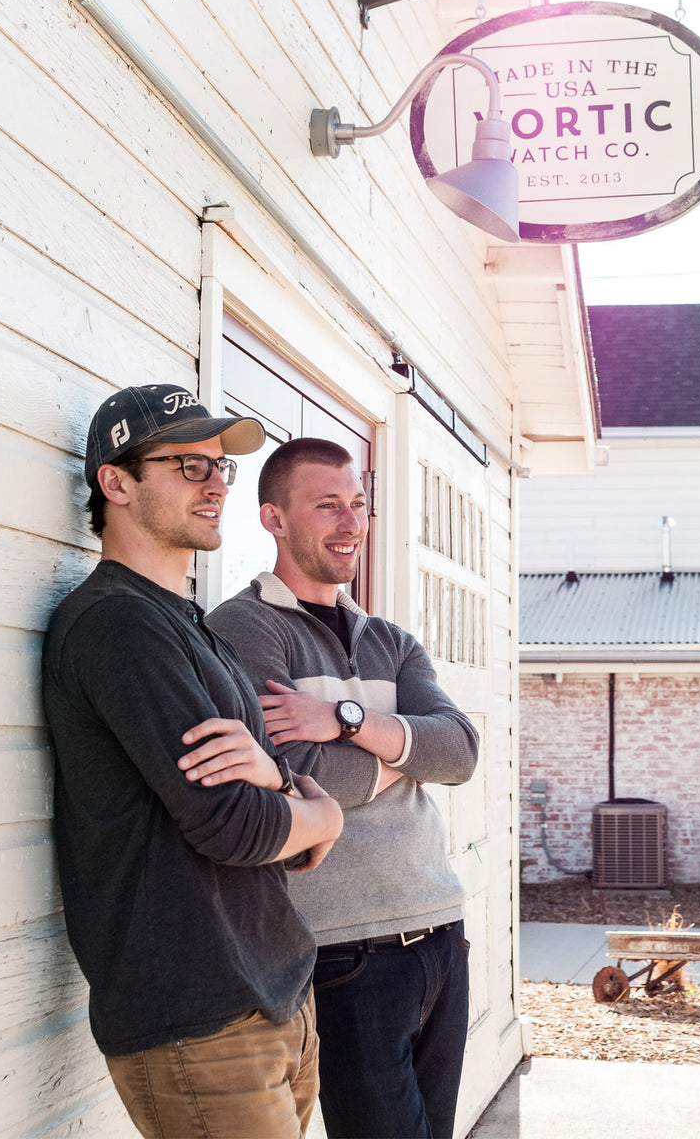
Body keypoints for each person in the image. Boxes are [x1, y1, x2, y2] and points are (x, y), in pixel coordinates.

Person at [42, 386, 343, 1139]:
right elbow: (238, 830)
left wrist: (281, 786)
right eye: (187, 465)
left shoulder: (190, 625)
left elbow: (273, 775)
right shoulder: (117, 626)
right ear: (116, 482)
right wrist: (321, 813)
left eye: (220, 468)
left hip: (273, 994)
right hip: (199, 1018)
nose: (215, 484)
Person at [202, 437, 480, 1139]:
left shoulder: (390, 639)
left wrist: (342, 717)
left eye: (356, 503)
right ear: (273, 519)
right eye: (327, 506)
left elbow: (460, 752)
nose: (350, 523)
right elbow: (300, 777)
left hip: (441, 934)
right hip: (345, 953)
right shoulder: (242, 628)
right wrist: (398, 752)